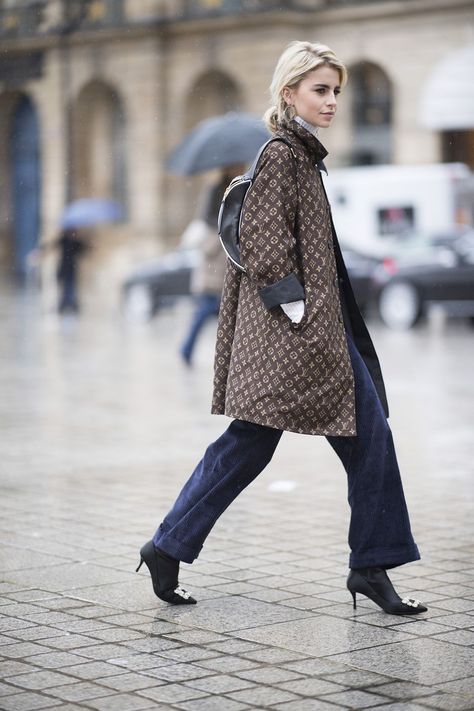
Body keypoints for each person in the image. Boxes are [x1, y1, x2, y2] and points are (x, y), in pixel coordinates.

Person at [136, 41, 427, 615]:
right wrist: (296, 309)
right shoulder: (280, 155)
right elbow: (265, 241)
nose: (332, 101)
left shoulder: (302, 156)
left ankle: (171, 545)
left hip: (312, 333)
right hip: (299, 337)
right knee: (303, 444)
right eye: (320, 89)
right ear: (289, 91)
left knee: (271, 445)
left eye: (337, 91)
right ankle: (367, 564)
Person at [180, 168, 243, 365]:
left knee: (218, 313)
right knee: (210, 309)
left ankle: (225, 353)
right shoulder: (217, 189)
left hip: (218, 261)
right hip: (215, 261)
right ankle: (188, 349)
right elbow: (209, 218)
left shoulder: (231, 186)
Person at [55, 228, 88, 313]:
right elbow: (53, 245)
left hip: (71, 269)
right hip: (65, 268)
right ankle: (65, 305)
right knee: (67, 287)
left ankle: (70, 305)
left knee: (71, 287)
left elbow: (83, 249)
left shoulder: (75, 242)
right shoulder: (64, 240)